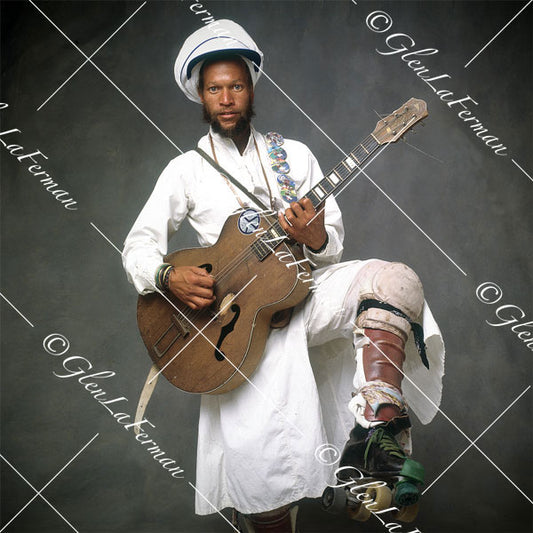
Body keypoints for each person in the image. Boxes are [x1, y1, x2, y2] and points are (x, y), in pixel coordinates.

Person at [122, 19, 445, 533]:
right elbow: (138, 245)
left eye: (236, 85)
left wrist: (315, 236)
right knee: (264, 483)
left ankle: (381, 440)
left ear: (251, 88)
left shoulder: (292, 156)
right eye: (214, 88)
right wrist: (166, 276)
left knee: (394, 280)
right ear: (200, 96)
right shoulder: (185, 170)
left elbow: (330, 243)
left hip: (304, 296)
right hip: (236, 328)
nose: (226, 97)